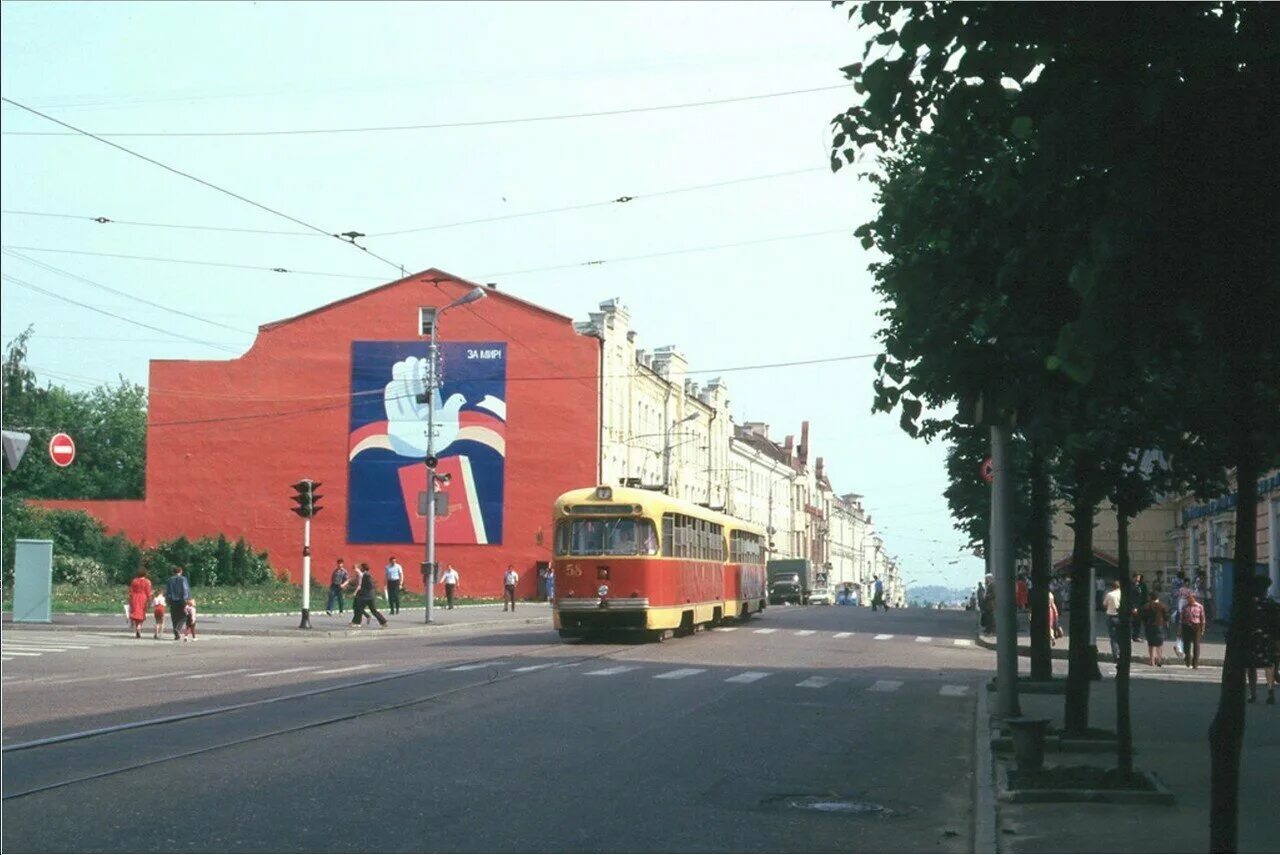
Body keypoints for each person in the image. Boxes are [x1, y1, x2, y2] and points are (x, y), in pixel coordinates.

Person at [1245, 575, 1279, 704]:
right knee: (1269, 665)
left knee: (1251, 666)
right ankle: (1270, 692)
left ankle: (1253, 694)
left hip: (1252, 638)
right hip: (1268, 638)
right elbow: (1277, 624)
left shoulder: (1248, 605)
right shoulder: (1271, 604)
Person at [351, 562, 387, 628]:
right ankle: (383, 622)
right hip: (369, 596)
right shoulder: (366, 574)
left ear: (363, 569)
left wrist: (363, 590)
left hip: (367, 596)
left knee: (360, 609)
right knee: (370, 610)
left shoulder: (366, 575)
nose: (360, 568)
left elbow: (370, 585)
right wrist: (356, 568)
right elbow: (360, 574)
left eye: (361, 567)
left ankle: (357, 623)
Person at [1138, 590, 1168, 666]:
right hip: (1159, 625)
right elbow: (1166, 616)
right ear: (1158, 597)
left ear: (1150, 597)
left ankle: (1152, 661)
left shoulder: (1147, 606)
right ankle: (1159, 660)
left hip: (1149, 626)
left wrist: (1145, 623)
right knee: (1159, 644)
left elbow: (1142, 615)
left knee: (1151, 644)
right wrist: (1166, 622)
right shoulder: (1162, 606)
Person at [164, 566, 190, 641]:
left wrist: (167, 600)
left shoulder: (169, 580)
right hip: (181, 600)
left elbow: (167, 591)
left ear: (173, 572)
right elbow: (185, 589)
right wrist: (186, 599)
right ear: (180, 571)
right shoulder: (183, 579)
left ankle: (176, 635)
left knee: (174, 617)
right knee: (184, 616)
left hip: (172, 600)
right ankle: (178, 629)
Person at [1180, 592, 1206, 668]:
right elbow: (1181, 619)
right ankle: (1188, 660)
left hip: (1196, 626)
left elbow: (1202, 618)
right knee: (1186, 645)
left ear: (1194, 598)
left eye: (1190, 598)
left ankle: (1195, 663)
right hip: (1186, 626)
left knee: (1196, 645)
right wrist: (1180, 629)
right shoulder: (1185, 607)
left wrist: (1203, 629)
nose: (1188, 600)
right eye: (1187, 598)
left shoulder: (1199, 606)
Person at [126, 567, 153, 639]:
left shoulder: (134, 581)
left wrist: (129, 599)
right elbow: (149, 592)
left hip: (134, 598)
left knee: (135, 613)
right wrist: (150, 600)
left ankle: (137, 628)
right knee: (142, 614)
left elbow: (130, 591)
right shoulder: (147, 582)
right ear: (145, 573)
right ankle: (139, 626)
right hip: (143, 598)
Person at [1103, 579, 1123, 660]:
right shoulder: (1122, 594)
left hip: (1111, 616)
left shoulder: (1110, 594)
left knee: (1113, 638)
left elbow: (1104, 604)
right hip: (1120, 617)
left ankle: (1115, 655)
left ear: (1112, 587)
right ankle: (1122, 653)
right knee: (1121, 636)